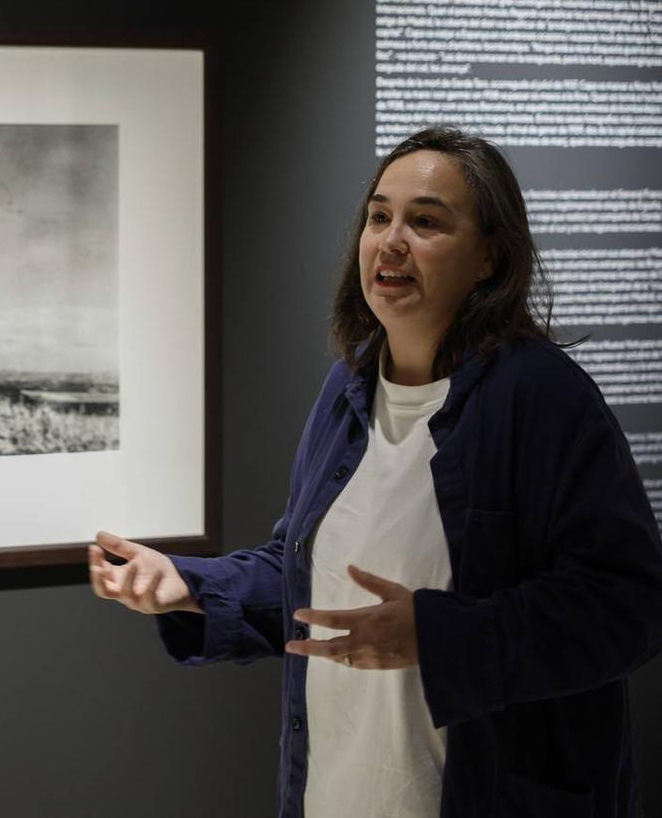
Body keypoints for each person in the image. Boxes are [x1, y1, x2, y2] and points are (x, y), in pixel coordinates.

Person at [88, 127, 662, 817]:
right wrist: (189, 583)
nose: (390, 241)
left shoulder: (543, 398)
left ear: (490, 258)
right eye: (379, 216)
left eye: (425, 221)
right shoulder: (349, 386)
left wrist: (440, 636)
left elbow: (628, 607)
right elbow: (309, 581)